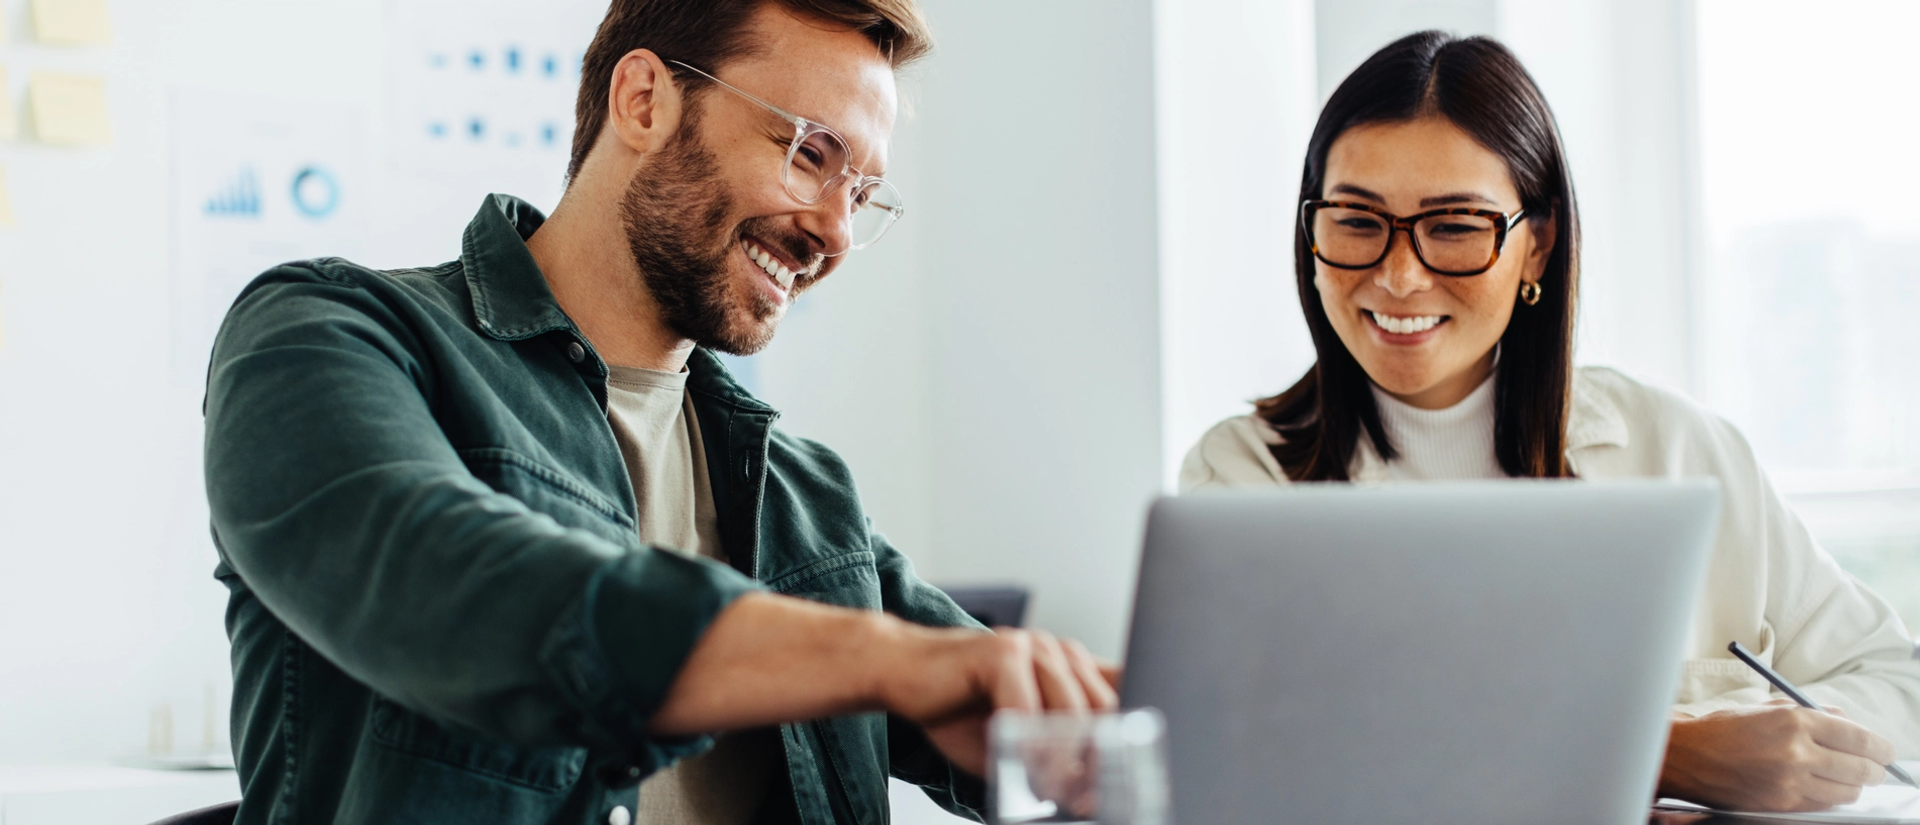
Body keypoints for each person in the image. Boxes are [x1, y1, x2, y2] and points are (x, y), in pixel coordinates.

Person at [201, 2, 1118, 824]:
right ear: (643, 101)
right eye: (808, 153)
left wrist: (1130, 724)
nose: (837, 233)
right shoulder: (330, 334)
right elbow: (458, 583)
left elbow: (997, 701)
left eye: (861, 195)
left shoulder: (808, 497)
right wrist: (886, 658)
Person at [1180, 31, 1920, 814]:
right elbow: (1250, 750)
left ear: (1536, 246)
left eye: (1455, 226)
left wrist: (1783, 744)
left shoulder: (1679, 447)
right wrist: (1664, 751)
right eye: (1357, 221)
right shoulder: (1241, 478)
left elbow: (1900, 683)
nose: (1398, 275)